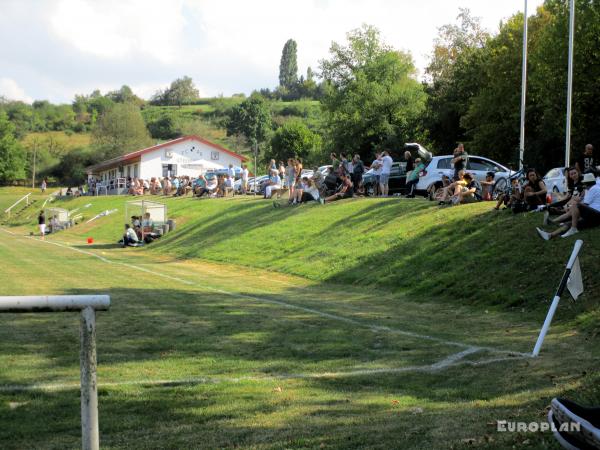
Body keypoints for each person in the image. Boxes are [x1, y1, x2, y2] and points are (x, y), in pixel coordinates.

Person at [536, 173, 600, 239]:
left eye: (584, 184)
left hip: (597, 215)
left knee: (576, 205)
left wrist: (572, 208)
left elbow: (584, 205)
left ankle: (573, 228)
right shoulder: (593, 188)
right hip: (594, 217)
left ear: (586, 183)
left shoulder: (593, 189)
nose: (584, 185)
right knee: (569, 223)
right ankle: (550, 235)